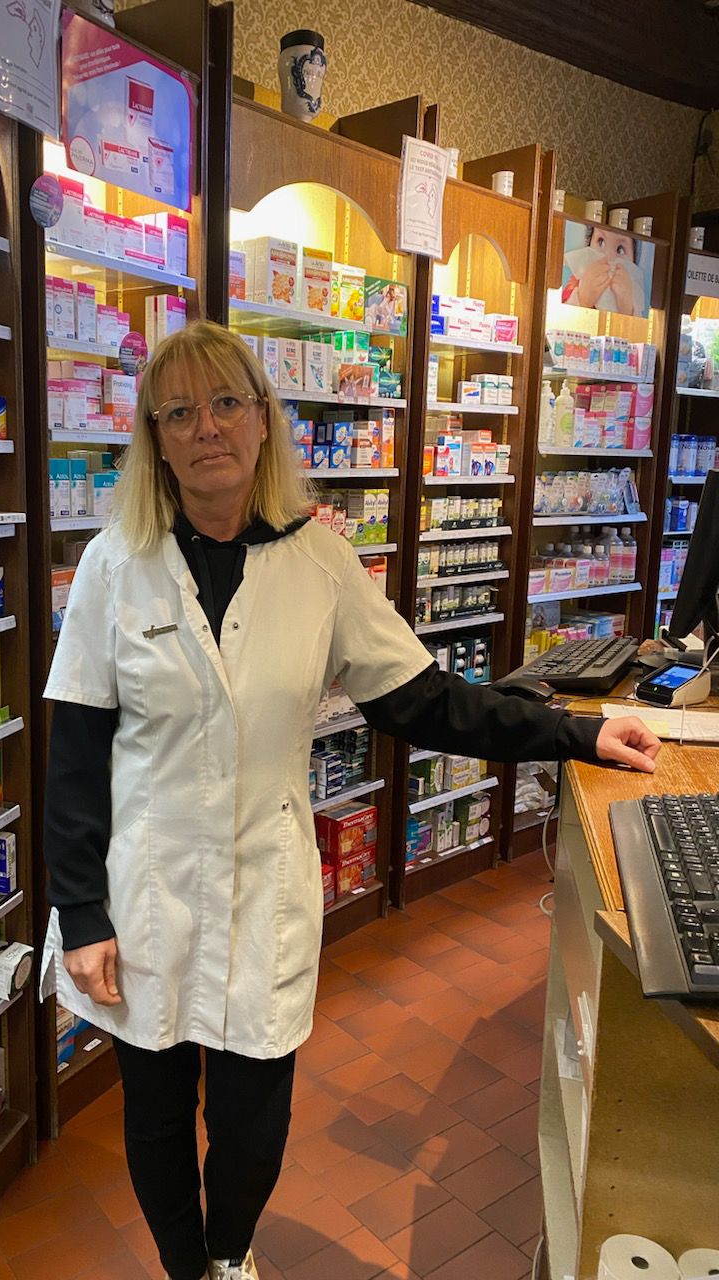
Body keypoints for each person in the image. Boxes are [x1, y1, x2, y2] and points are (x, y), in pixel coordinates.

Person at [40, 321, 659, 1280]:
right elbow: (76, 757)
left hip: (264, 887)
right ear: (155, 438)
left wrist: (576, 733)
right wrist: (82, 913)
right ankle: (186, 1270)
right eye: (180, 412)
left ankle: (228, 1252)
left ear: (263, 419)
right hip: (143, 893)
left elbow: (423, 699)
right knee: (155, 1113)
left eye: (227, 403)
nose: (207, 428)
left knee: (254, 1119)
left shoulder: (320, 562)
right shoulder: (115, 564)